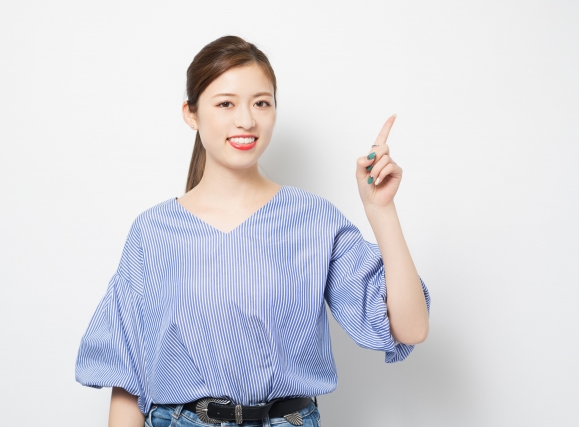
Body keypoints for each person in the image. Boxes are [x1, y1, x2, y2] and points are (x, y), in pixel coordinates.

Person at [75, 35, 431, 427]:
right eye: (225, 103)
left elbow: (411, 329)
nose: (246, 120)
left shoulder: (313, 219)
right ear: (191, 113)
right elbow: (128, 375)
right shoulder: (153, 232)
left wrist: (381, 210)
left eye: (261, 102)